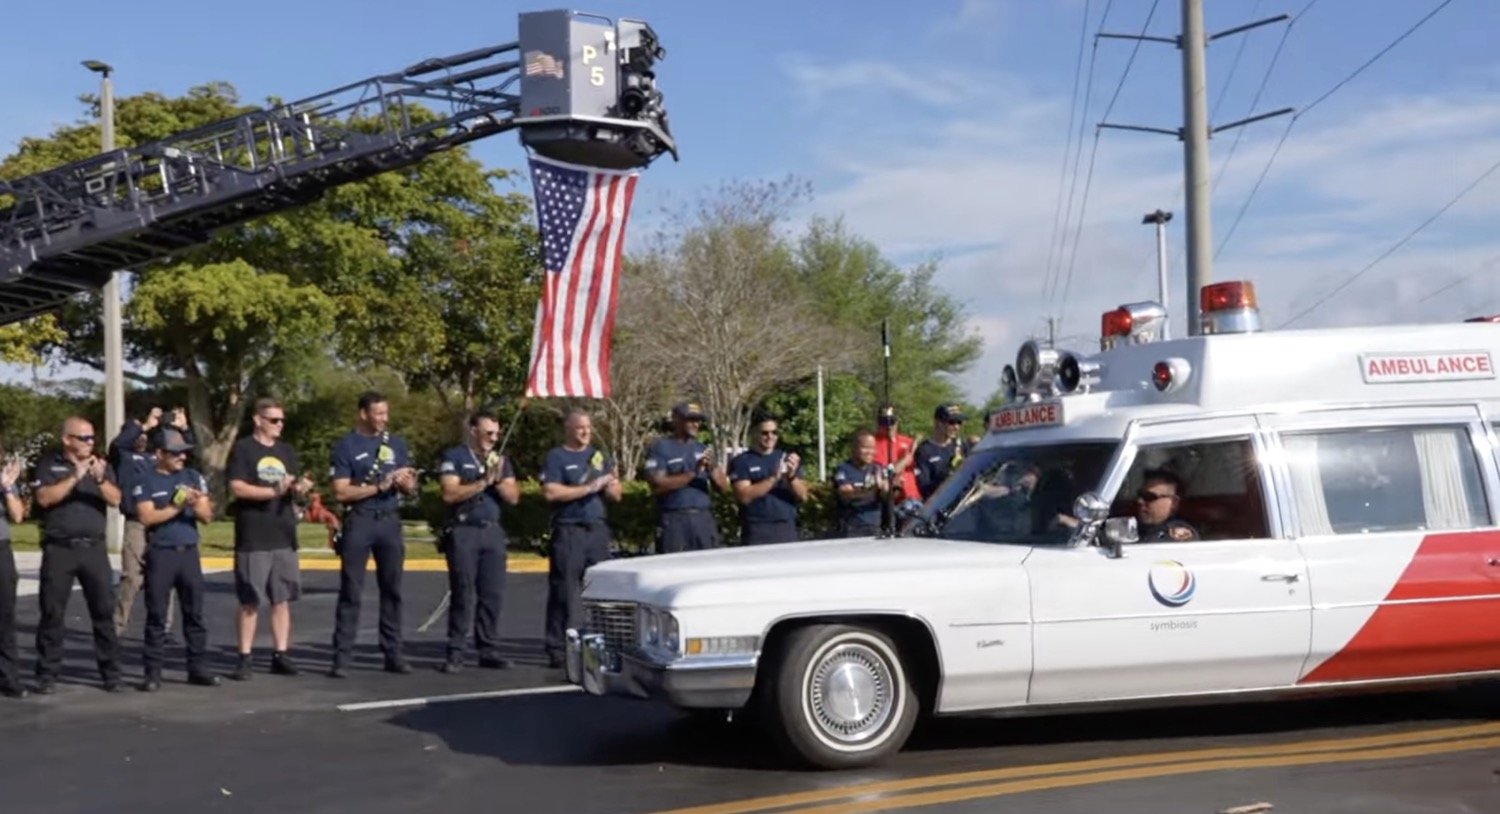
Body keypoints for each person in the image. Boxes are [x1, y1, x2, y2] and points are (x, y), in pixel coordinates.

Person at [31, 416, 125, 694]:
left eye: (92, 438)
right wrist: (75, 476)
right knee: (52, 612)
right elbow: (45, 498)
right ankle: (47, 674)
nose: (89, 443)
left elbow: (116, 499)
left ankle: (111, 673)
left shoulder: (101, 467)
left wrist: (98, 478)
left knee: (103, 612)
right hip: (60, 548)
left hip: (93, 549)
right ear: (67, 440)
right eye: (83, 438)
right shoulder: (50, 464)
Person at [328, 391, 419, 677]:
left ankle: (393, 652)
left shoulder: (396, 444)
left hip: (389, 521)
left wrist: (405, 483)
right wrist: (379, 486)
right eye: (378, 413)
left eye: (385, 413)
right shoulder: (347, 445)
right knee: (351, 590)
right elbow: (341, 492)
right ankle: (342, 656)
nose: (384, 419)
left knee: (392, 589)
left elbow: (411, 487)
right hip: (361, 520)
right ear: (363, 414)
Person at [226, 397, 313, 680]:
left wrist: (299, 488)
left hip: (283, 533)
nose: (279, 425)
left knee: (282, 599)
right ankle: (244, 657)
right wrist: (273, 492)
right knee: (250, 599)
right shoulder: (243, 449)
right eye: (274, 420)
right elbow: (238, 488)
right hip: (254, 534)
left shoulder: (286, 451)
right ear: (258, 420)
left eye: (282, 420)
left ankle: (281, 654)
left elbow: (291, 487)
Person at [134, 427, 221, 690]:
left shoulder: (193, 476)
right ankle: (153, 673)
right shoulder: (147, 480)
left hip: (189, 552)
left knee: (194, 614)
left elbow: (207, 516)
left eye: (184, 454)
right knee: (157, 615)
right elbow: (146, 517)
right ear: (159, 454)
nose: (182, 458)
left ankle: (198, 668)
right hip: (162, 552)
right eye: (175, 454)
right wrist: (175, 507)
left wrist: (195, 503)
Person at [436, 410, 520, 673]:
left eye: (496, 433)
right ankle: (456, 651)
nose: (493, 438)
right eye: (488, 433)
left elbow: (514, 496)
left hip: (492, 531)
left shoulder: (500, 459)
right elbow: (450, 494)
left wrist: (497, 480)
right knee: (463, 592)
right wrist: (482, 482)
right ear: (473, 430)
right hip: (465, 531)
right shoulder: (455, 457)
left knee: (492, 594)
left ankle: (488, 648)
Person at [540, 409, 621, 669]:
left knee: (599, 591)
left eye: (588, 427)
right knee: (563, 591)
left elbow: (616, 496)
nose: (586, 432)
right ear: (569, 428)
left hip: (596, 530)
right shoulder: (557, 457)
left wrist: (611, 483)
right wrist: (588, 488)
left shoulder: (599, 457)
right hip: (569, 530)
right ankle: (556, 648)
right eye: (580, 428)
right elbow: (551, 492)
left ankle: (600, 647)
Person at [111, 406, 176, 638]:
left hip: (159, 520)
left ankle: (163, 626)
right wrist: (145, 424)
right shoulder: (123, 456)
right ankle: (117, 625)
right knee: (132, 576)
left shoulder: (155, 457)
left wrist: (172, 425)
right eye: (137, 434)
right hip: (136, 521)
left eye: (144, 435)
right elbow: (119, 443)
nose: (142, 437)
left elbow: (179, 451)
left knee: (162, 575)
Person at [643, 402, 730, 553]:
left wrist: (713, 468)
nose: (696, 424)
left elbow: (723, 488)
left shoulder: (702, 448)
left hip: (703, 519)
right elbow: (657, 485)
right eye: (690, 420)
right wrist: (692, 473)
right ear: (676, 419)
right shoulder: (661, 447)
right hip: (675, 519)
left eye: (698, 420)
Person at [728, 416, 808, 544]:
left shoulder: (785, 457)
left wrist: (791, 477)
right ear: (754, 433)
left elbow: (803, 495)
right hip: (757, 528)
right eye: (765, 433)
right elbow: (744, 496)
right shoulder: (742, 461)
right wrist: (773, 479)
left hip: (786, 525)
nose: (770, 436)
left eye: (774, 432)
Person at [0, 453, 27, 698]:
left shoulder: (3, 479)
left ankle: (9, 677)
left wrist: (8, 487)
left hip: (2, 551)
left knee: (5, 617)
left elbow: (18, 516)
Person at [832, 430, 889, 538]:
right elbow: (846, 492)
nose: (870, 452)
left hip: (875, 526)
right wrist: (870, 488)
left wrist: (886, 487)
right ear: (854, 448)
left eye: (872, 448)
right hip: (852, 528)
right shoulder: (844, 469)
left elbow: (886, 494)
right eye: (865, 448)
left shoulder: (877, 468)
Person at [913, 404, 971, 501]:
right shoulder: (924, 450)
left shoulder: (962, 446)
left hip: (964, 505)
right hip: (940, 509)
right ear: (937, 422)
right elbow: (925, 490)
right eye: (951, 422)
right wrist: (948, 472)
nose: (956, 427)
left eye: (959, 422)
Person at [872, 406, 920, 509]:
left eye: (891, 421)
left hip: (914, 498)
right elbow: (885, 473)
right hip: (894, 503)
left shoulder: (908, 442)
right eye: (884, 422)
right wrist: (906, 459)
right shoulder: (873, 444)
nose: (889, 426)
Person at [1134, 469, 1200, 542]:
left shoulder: (1176, 535)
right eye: (1140, 495)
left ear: (1173, 503)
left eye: (1149, 497)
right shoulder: (1136, 528)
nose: (1140, 501)